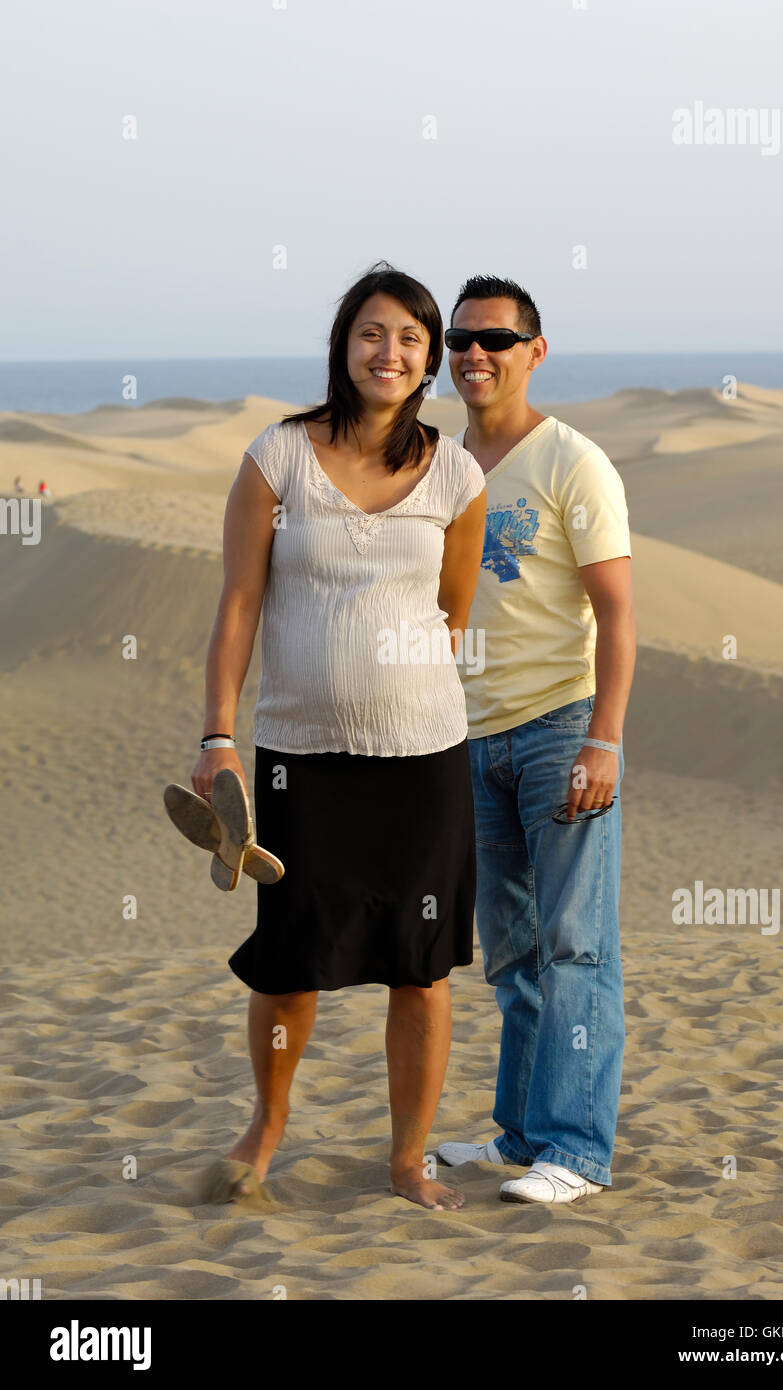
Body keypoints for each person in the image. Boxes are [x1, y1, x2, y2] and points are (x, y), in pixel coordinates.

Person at [191, 262, 486, 1211]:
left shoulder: (456, 471)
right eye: (370, 332)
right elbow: (238, 604)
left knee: (421, 966)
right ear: (342, 346)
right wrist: (218, 739)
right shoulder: (275, 456)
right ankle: (265, 1129)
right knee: (290, 963)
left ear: (427, 358)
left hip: (424, 757)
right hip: (296, 758)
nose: (387, 351)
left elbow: (452, 612)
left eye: (408, 337)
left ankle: (407, 1157)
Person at [436, 275, 636, 1204]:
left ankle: (576, 1152)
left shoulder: (572, 462)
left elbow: (618, 611)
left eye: (496, 340)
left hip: (560, 729)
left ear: (533, 351)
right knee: (511, 955)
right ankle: (517, 1138)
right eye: (460, 339)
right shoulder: (439, 463)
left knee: (575, 948)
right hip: (467, 742)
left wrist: (604, 740)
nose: (475, 354)